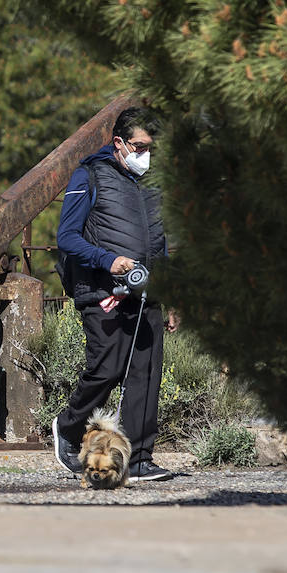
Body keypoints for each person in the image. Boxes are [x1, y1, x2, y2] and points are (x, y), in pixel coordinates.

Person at [53, 106, 181, 482]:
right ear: (119, 143)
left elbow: (161, 243)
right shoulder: (89, 175)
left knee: (146, 374)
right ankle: (70, 426)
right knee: (107, 368)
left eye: (153, 148)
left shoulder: (155, 185)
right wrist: (108, 260)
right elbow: (67, 237)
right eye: (140, 147)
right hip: (102, 290)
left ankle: (139, 459)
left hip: (147, 291)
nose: (147, 155)